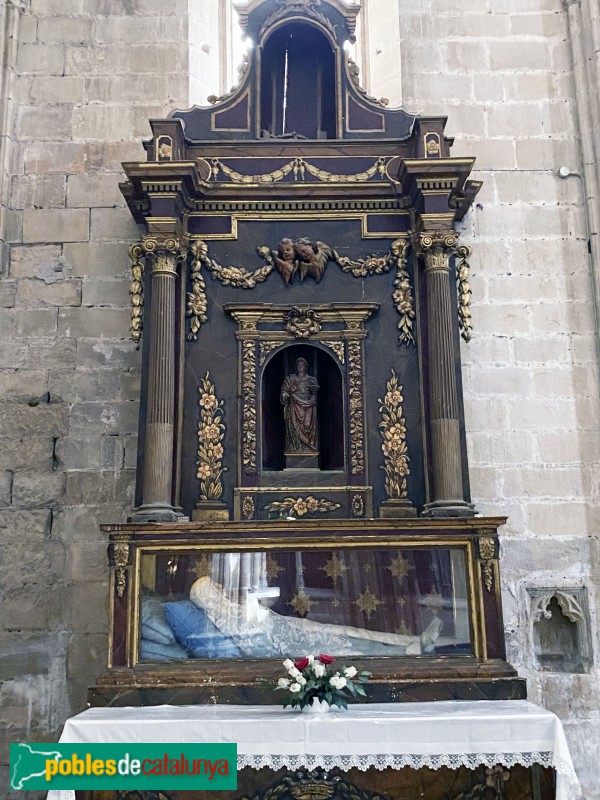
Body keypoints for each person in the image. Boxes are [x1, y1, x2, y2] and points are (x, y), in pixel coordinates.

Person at [280, 357, 319, 453]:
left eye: (302, 365)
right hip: (294, 406)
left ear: (306, 367)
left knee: (307, 425)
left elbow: (315, 393)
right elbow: (284, 391)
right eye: (298, 365)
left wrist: (312, 396)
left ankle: (308, 446)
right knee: (294, 427)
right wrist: (285, 395)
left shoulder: (311, 379)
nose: (300, 367)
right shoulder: (290, 379)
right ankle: (296, 446)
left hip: (308, 405)